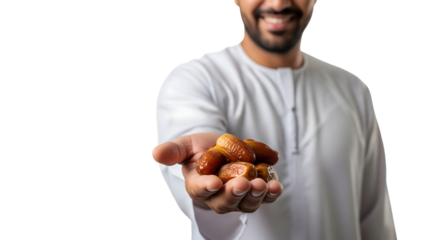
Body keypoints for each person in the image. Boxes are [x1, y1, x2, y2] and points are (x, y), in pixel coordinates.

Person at [152, 0, 397, 239]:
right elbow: (193, 175)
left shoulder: (353, 89)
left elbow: (374, 214)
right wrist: (209, 194)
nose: (278, 4)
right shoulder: (193, 79)